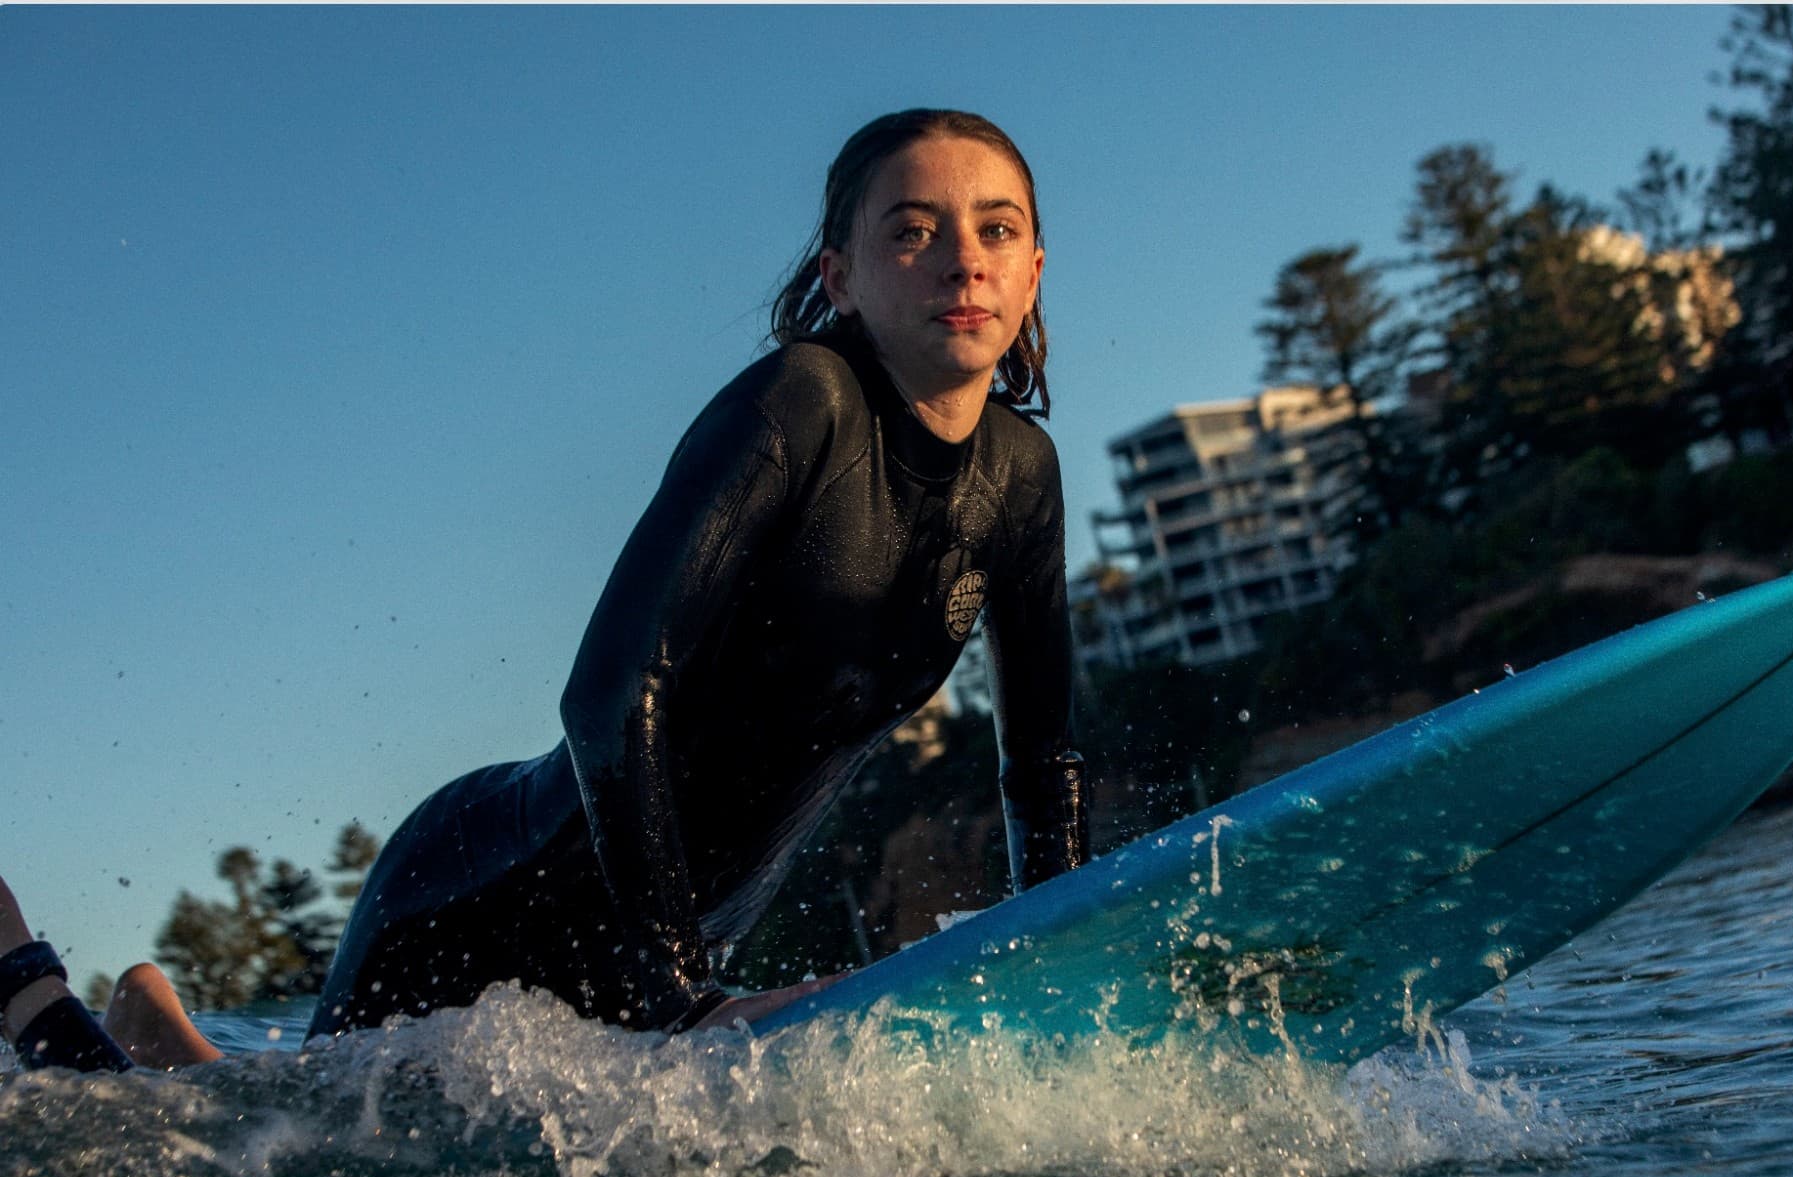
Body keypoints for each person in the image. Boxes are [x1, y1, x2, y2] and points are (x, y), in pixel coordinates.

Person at [0, 108, 1089, 1074]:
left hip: (666, 943)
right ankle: (31, 989)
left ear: (1034, 266)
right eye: (912, 229)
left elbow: (1043, 765)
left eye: (996, 229)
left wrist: (1076, 947)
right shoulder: (799, 403)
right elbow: (613, 690)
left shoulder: (1019, 479)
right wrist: (682, 999)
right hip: (491, 904)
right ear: (840, 275)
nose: (962, 262)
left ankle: (170, 1051)